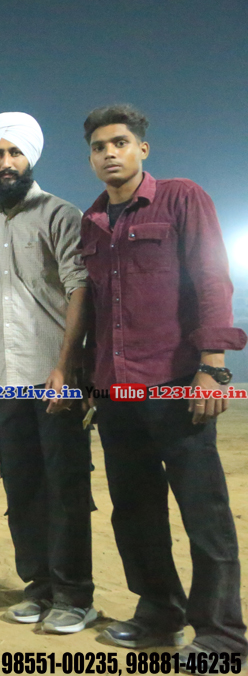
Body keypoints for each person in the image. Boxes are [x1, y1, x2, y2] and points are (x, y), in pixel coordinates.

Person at [78, 105, 247, 660]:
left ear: (142, 149)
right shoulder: (92, 220)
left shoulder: (181, 198)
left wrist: (212, 366)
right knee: (134, 511)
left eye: (120, 142)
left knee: (204, 513)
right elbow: (97, 309)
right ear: (90, 157)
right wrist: (90, 383)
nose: (110, 153)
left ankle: (222, 634)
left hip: (175, 385)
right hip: (116, 392)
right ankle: (158, 613)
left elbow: (211, 278)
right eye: (99, 146)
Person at [0, 112, 96, 634]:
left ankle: (74, 595)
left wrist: (67, 366)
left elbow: (79, 289)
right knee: (20, 486)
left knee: (64, 487)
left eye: (15, 153)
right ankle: (38, 587)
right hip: (5, 378)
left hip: (53, 374)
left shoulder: (61, 214)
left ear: (30, 158)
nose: (6, 163)